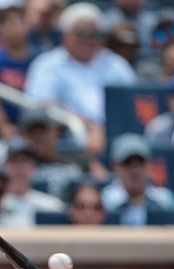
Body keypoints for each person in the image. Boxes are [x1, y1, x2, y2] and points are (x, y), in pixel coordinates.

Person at [24, 2, 136, 155]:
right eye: (83, 32)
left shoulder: (117, 65)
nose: (89, 39)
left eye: (95, 33)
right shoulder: (47, 65)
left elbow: (134, 103)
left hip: (118, 136)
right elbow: (43, 106)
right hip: (66, 140)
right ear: (65, 35)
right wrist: (90, 127)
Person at [0, 6, 39, 140]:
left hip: (33, 123)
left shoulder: (38, 58)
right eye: (11, 23)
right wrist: (3, 125)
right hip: (1, 126)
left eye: (20, 22)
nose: (17, 28)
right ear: (0, 28)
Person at [102, 133, 174, 226]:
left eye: (140, 163)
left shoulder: (165, 200)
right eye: (127, 163)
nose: (135, 171)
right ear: (115, 167)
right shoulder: (103, 202)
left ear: (149, 165)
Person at [1, 141, 65, 227]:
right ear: (5, 166)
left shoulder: (51, 205)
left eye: (26, 161)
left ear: (34, 167)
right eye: (15, 161)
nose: (20, 168)